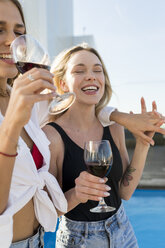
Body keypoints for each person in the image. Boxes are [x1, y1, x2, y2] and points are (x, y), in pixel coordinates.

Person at [42, 43, 164, 248]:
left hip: (122, 230)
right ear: (62, 84)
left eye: (97, 70)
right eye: (80, 71)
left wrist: (143, 143)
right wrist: (75, 195)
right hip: (78, 238)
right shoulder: (52, 136)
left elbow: (124, 192)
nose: (91, 76)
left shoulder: (114, 127)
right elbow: (46, 211)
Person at [0, 1, 67, 247]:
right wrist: (10, 128)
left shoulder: (22, 97)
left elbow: (77, 107)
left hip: (40, 240)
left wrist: (119, 117)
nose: (11, 41)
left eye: (19, 32)